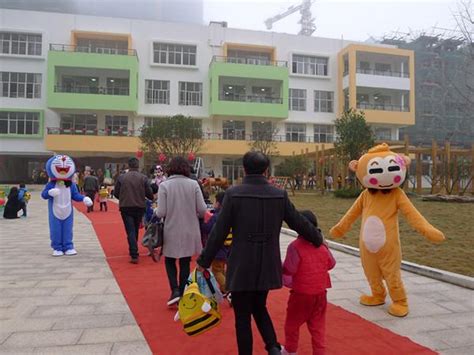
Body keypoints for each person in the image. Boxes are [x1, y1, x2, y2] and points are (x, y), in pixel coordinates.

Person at [197, 151, 323, 355]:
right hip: (267, 262)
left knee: (242, 315)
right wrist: (317, 238)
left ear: (244, 169)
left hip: (241, 263)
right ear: (266, 170)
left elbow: (219, 232)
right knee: (259, 306)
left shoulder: (233, 194)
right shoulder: (278, 195)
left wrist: (204, 260)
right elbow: (298, 221)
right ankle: (272, 347)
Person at [155, 156, 207, 306]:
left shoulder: (164, 185)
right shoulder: (194, 184)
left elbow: (161, 212)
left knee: (170, 260)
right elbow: (202, 210)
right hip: (190, 229)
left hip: (171, 228)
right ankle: (183, 291)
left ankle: (174, 291)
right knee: (185, 261)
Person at [282, 210, 336, 355]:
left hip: (301, 295)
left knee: (292, 324)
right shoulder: (322, 246)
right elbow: (331, 264)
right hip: (320, 294)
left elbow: (289, 269)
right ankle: (319, 352)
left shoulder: (295, 246)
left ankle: (290, 350)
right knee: (318, 327)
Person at [114, 157, 154, 264]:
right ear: (137, 166)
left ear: (128, 166)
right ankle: (134, 248)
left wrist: (123, 198)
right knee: (135, 228)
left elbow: (116, 193)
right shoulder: (143, 178)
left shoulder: (121, 178)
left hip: (126, 207)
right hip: (139, 206)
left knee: (130, 229)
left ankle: (133, 252)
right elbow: (149, 194)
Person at [201, 191, 230, 296]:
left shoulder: (216, 217)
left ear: (218, 203)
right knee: (221, 270)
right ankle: (228, 287)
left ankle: (227, 289)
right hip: (227, 248)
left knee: (216, 271)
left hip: (217, 250)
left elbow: (207, 229)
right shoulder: (230, 215)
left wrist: (203, 222)